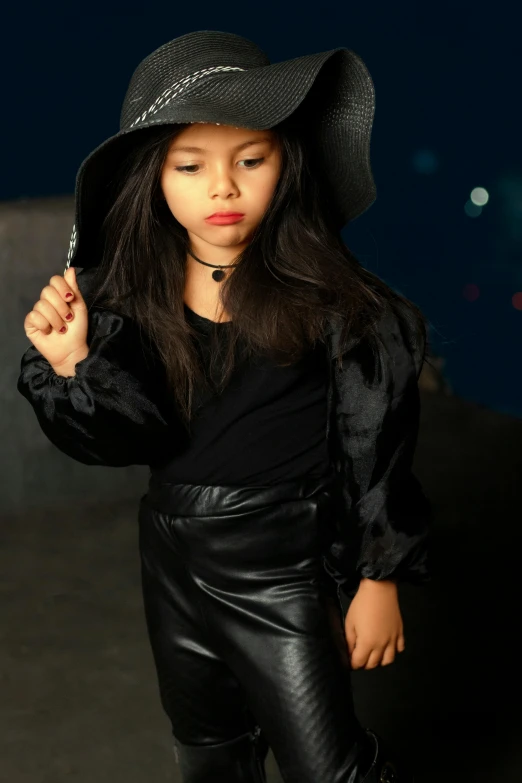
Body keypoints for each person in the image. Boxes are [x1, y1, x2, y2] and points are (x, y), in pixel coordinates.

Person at [17, 30, 432, 783]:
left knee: (329, 767)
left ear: (287, 162)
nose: (223, 189)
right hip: (173, 560)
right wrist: (75, 361)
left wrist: (380, 576)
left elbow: (378, 441)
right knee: (211, 755)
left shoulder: (336, 303)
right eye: (190, 165)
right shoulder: (123, 301)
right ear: (155, 176)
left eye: (251, 159)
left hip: (283, 562)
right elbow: (134, 437)